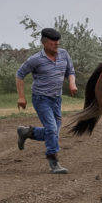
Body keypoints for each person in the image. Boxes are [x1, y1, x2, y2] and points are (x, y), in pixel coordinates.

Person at [15, 27, 79, 174]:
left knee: (53, 132)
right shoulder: (35, 59)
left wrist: (72, 83)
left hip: (57, 99)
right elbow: (20, 74)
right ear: (44, 43)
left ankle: (26, 132)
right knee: (51, 129)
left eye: (58, 42)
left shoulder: (64, 54)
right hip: (41, 98)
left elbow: (70, 71)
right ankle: (53, 162)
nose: (57, 45)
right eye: (53, 42)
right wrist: (21, 96)